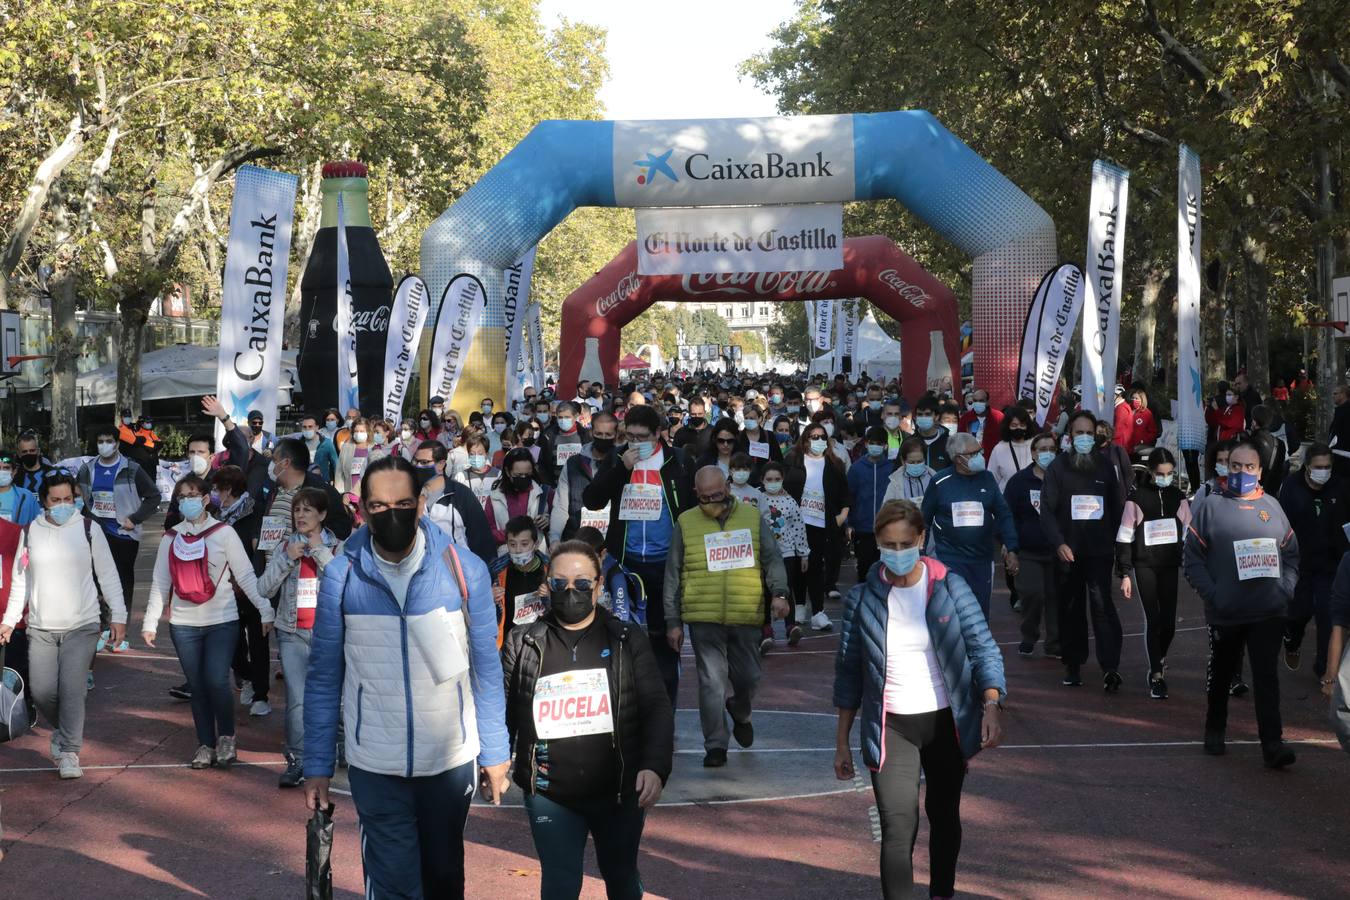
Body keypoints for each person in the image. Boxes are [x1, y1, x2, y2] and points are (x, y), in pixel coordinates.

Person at [303, 455, 511, 897]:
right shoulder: (341, 575)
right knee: (394, 884)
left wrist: (495, 751)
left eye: (401, 503)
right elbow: (322, 678)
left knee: (443, 879)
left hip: (450, 763)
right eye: (378, 506)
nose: (390, 513)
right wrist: (317, 765)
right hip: (375, 763)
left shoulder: (464, 569)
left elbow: (486, 669)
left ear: (420, 504)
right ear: (362, 509)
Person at [833, 499, 1005, 900]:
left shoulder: (950, 586)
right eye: (888, 545)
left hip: (945, 723)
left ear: (922, 539)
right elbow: (848, 674)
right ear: (876, 542)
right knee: (898, 825)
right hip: (892, 726)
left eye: (905, 543)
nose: (897, 553)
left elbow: (983, 648)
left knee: (943, 816)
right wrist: (841, 740)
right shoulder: (862, 600)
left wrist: (993, 704)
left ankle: (941, 892)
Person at [500, 539, 672, 898]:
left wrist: (655, 766)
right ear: (547, 585)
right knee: (561, 884)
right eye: (560, 583)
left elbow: (656, 705)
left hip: (619, 791)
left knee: (621, 877)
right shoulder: (523, 641)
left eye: (581, 583)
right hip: (549, 791)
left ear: (597, 586)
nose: (571, 591)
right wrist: (495, 759)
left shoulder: (627, 639)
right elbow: (504, 708)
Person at [141, 474, 275, 768]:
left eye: (192, 495)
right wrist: (150, 621)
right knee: (199, 686)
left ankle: (226, 736)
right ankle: (205, 744)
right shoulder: (171, 538)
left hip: (222, 620)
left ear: (205, 499)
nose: (186, 501)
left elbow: (246, 576)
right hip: (183, 624)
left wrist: (265, 610)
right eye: (181, 497)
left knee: (216, 680)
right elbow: (160, 583)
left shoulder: (224, 533)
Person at [1183, 441, 1300, 768]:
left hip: (1268, 611)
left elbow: (1291, 552)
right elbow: (1192, 560)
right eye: (1236, 466)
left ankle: (1273, 745)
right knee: (1222, 673)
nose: (1242, 473)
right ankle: (1215, 728)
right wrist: (1215, 594)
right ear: (1225, 468)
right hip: (1227, 612)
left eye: (1250, 467)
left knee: (1266, 678)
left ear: (1260, 471)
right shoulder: (1210, 508)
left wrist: (1285, 590)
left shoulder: (1273, 506)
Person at [664, 467, 790, 767]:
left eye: (717, 495)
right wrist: (673, 621)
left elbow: (772, 557)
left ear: (728, 489)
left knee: (749, 678)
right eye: (705, 497)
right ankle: (716, 745)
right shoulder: (685, 522)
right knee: (711, 683)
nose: (712, 501)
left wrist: (780, 593)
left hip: (746, 613)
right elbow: (673, 573)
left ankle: (741, 710)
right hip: (702, 615)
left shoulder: (750, 516)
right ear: (696, 494)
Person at [0, 474, 124, 779]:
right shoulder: (30, 534)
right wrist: (8, 620)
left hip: (82, 624)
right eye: (55, 500)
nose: (62, 505)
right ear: (43, 501)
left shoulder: (88, 528)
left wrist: (119, 615)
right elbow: (20, 582)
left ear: (75, 498)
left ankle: (69, 752)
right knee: (41, 692)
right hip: (41, 627)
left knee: (72, 689)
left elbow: (108, 575)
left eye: (68, 499)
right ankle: (64, 730)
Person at [582, 404, 696, 705]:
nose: (635, 443)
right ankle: (630, 709)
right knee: (624, 640)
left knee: (665, 641)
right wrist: (622, 469)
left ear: (658, 433)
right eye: (630, 436)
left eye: (642, 437)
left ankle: (665, 712)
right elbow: (592, 500)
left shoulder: (679, 461)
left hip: (666, 565)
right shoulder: (618, 459)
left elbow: (693, 508)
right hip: (626, 563)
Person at [257, 487, 342, 788]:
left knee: (332, 697)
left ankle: (334, 754)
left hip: (327, 634)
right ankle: (297, 760)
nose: (301, 515)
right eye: (297, 510)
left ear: (322, 514)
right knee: (297, 699)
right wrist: (286, 559)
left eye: (308, 510)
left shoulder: (337, 547)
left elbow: (343, 582)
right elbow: (263, 588)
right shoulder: (285, 547)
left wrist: (317, 551)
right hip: (291, 632)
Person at [1040, 411, 1124, 690]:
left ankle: (1110, 667)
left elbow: (1117, 506)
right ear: (1070, 436)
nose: (1085, 438)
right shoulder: (1057, 468)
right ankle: (1073, 664)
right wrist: (1059, 542)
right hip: (1068, 552)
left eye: (1090, 433)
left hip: (1099, 551)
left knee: (1102, 606)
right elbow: (1047, 512)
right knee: (1071, 608)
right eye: (1079, 433)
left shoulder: (1105, 466)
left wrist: (1115, 544)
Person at [1115, 449, 1191, 698]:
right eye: (1160, 474)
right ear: (1150, 472)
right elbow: (1124, 537)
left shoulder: (1178, 497)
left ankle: (1159, 655)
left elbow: (1189, 532)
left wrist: (1191, 559)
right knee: (1154, 619)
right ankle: (1156, 674)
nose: (1165, 477)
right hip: (1144, 565)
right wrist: (1125, 572)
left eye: (1170, 474)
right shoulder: (1136, 500)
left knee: (1169, 623)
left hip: (1169, 565)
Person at [920, 433, 1019, 620]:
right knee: (953, 614)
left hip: (982, 560)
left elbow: (1004, 514)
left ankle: (978, 649)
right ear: (958, 459)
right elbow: (924, 520)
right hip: (950, 560)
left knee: (979, 614)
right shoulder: (940, 482)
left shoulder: (988, 479)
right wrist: (920, 556)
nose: (980, 456)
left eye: (980, 451)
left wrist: (1012, 547)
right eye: (973, 453)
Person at [77, 427, 160, 637]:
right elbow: (80, 499)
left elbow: (154, 497)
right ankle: (101, 626)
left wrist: (135, 519)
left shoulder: (131, 469)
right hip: (96, 534)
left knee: (122, 583)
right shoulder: (87, 469)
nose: (104, 445)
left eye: (109, 440)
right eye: (100, 441)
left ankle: (120, 630)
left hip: (123, 535)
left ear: (117, 443)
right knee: (95, 581)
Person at [1277, 443, 1349, 678]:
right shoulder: (1291, 487)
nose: (1324, 471)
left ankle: (1323, 668)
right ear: (1308, 467)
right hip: (1299, 562)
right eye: (1319, 467)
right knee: (1299, 611)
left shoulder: (1341, 487)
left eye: (1328, 466)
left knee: (1328, 615)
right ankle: (1292, 637)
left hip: (1330, 563)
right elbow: (1281, 523)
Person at [210, 465, 271, 717]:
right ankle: (245, 676)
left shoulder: (254, 511)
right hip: (224, 589)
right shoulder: (215, 514)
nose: (214, 493)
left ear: (230, 489)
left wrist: (251, 580)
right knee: (231, 641)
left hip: (252, 584)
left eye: (217, 488)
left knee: (258, 641)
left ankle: (260, 695)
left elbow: (261, 548)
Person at [782, 422, 852, 632]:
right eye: (814, 436)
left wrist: (841, 518)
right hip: (796, 525)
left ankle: (818, 612)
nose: (818, 440)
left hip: (823, 525)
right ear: (805, 439)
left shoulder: (835, 464)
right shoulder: (792, 462)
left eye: (822, 437)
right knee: (798, 567)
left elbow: (844, 496)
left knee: (815, 566)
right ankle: (800, 605)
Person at [1004, 432, 1060, 658]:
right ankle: (1029, 634)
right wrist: (1010, 548)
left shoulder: (1061, 479)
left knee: (1056, 598)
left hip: (1057, 551)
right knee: (1032, 594)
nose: (1047, 453)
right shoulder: (1019, 481)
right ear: (1034, 453)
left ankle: (1055, 643)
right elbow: (1007, 515)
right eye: (1042, 449)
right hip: (1028, 550)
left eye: (1051, 449)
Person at [549, 412, 617, 544]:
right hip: (576, 538)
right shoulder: (573, 463)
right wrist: (555, 538)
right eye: (599, 433)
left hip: (611, 541)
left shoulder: (622, 463)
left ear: (616, 435)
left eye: (608, 435)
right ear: (591, 432)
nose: (603, 438)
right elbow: (561, 506)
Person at [488, 516, 550, 648]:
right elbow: (480, 608)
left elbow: (561, 607)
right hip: (508, 644)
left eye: (524, 544)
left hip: (542, 641)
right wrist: (489, 597)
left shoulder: (550, 570)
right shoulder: (496, 572)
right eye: (512, 544)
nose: (518, 550)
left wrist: (550, 595)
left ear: (536, 544)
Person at [847, 426, 894, 582]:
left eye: (880, 443)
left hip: (886, 528)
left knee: (886, 569)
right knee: (864, 568)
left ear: (885, 446)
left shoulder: (892, 469)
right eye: (872, 442)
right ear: (866, 444)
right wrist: (850, 523)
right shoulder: (856, 469)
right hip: (863, 528)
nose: (876, 446)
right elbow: (849, 497)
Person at [486, 448, 552, 551]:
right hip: (507, 558)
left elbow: (559, 522)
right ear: (508, 472)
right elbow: (488, 531)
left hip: (538, 556)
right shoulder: (495, 498)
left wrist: (548, 521)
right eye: (518, 475)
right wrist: (513, 536)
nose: (523, 478)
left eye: (527, 475)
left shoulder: (544, 493)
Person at [538, 400, 590, 488]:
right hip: (557, 488)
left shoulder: (585, 436)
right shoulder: (548, 436)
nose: (563, 420)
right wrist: (550, 486)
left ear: (575, 416)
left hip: (581, 487)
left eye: (567, 417)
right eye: (560, 417)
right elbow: (543, 465)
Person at [988, 407, 1034, 492]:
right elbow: (992, 479)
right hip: (1006, 499)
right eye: (1014, 425)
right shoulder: (999, 449)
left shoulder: (1035, 445)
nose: (1018, 428)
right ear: (1007, 426)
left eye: (1022, 425)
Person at [958, 388, 1003, 459]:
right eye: (975, 401)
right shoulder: (965, 418)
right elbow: (960, 439)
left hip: (992, 458)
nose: (978, 403)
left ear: (987, 402)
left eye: (981, 401)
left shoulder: (998, 417)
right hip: (970, 459)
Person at [0, 450, 41, 526]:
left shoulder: (27, 497)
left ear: (14, 472)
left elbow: (38, 525)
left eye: (6, 468)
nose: (1, 471)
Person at [910, 397, 952, 471]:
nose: (923, 417)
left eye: (927, 414)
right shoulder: (909, 442)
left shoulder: (949, 443)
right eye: (920, 414)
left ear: (937, 416)